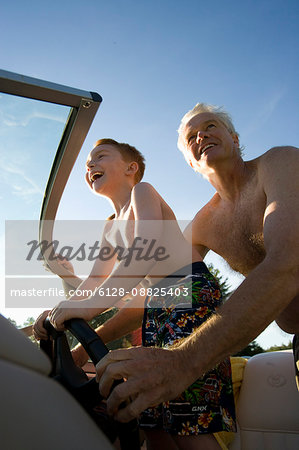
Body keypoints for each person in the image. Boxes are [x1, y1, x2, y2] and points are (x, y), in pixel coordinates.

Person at [96, 103, 299, 423]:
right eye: (191, 136)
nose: (201, 135)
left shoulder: (280, 162)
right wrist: (86, 345)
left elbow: (289, 262)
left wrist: (184, 361)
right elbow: (161, 294)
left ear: (233, 136)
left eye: (211, 126)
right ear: (190, 161)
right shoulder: (203, 225)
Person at [34, 138, 236, 449]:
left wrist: (90, 307)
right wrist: (57, 313)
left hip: (189, 293)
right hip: (157, 307)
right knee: (151, 416)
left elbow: (146, 252)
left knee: (188, 420)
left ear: (132, 168)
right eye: (88, 163)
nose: (90, 165)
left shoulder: (144, 192)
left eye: (100, 156)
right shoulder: (110, 227)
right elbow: (94, 283)